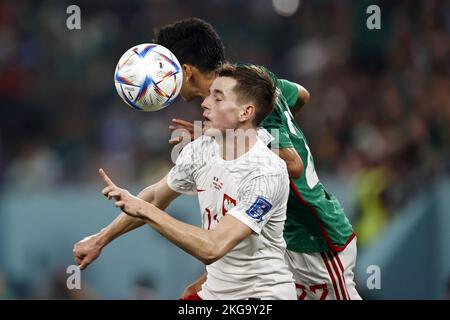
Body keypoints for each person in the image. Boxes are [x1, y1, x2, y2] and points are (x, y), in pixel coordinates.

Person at [73, 17, 360, 300]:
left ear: (185, 71)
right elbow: (301, 94)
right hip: (264, 241)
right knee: (192, 297)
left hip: (312, 238)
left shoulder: (246, 98)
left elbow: (294, 166)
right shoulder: (245, 92)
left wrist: (239, 137)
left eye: (164, 68)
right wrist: (101, 239)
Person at [81, 64, 297, 300]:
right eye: (209, 95)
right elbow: (155, 197)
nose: (205, 103)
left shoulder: (266, 172)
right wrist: (99, 240)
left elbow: (212, 248)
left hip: (263, 297)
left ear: (245, 113)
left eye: (218, 98)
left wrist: (144, 210)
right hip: (215, 292)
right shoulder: (200, 151)